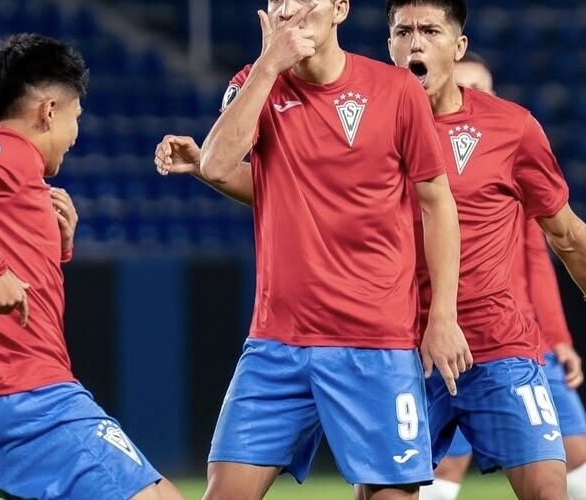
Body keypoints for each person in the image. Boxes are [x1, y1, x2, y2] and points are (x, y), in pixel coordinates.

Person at [157, 2, 586, 499]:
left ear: (458, 46)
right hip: (369, 342)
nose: (416, 43)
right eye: (403, 31)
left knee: (549, 486)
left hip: (476, 342)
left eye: (431, 31)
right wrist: (220, 144)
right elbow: (290, 189)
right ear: (389, 41)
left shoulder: (496, 124)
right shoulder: (356, 98)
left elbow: (561, 236)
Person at [185, 0, 468, 498]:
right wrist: (268, 66)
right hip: (277, 341)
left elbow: (437, 203)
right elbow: (216, 165)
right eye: (278, 0)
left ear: (339, 8)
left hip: (376, 342)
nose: (289, 9)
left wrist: (442, 317)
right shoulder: (256, 82)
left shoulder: (396, 89)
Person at [0, 33, 182, 500]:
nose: (75, 135)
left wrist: (60, 248)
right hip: (27, 400)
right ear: (49, 111)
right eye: (76, 116)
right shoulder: (8, 155)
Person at [421, 51, 586, 500]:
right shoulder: (413, 156)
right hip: (439, 337)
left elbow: (538, 260)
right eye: (464, 84)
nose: (471, 94)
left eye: (481, 87)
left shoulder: (506, 157)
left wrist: (558, 338)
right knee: (443, 463)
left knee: (574, 451)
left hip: (518, 340)